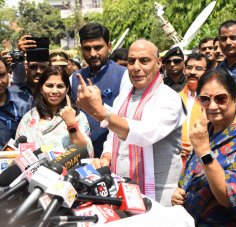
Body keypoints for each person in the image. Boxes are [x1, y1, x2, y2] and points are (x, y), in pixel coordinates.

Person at [76, 39, 186, 206]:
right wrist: (107, 156)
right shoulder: (123, 97)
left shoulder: (169, 98)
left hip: (159, 193)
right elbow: (113, 135)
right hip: (125, 189)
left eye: (144, 61)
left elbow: (145, 133)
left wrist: (101, 113)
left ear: (158, 64)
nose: (136, 67)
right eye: (131, 61)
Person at [172, 69, 236, 225]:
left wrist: (203, 150)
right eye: (205, 99)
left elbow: (230, 197)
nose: (213, 106)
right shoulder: (207, 130)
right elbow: (192, 174)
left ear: (235, 99)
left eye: (220, 99)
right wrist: (180, 193)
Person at [71, 22, 129, 157]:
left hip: (115, 154)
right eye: (87, 48)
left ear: (109, 47)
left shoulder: (124, 75)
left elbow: (126, 120)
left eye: (98, 47)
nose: (92, 54)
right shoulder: (74, 78)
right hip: (82, 155)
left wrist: (98, 107)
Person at [16, 66, 93, 156]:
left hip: (69, 169)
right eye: (49, 86)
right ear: (41, 88)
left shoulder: (77, 116)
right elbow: (19, 153)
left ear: (67, 89)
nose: (54, 91)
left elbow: (86, 151)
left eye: (60, 86)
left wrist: (71, 124)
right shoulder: (29, 118)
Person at [179, 53, 209, 164]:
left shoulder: (212, 100)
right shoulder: (175, 98)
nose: (192, 72)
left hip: (202, 159)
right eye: (189, 67)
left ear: (206, 72)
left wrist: (199, 148)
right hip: (177, 160)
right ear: (184, 70)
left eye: (198, 69)